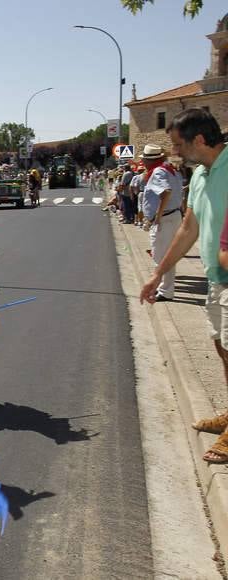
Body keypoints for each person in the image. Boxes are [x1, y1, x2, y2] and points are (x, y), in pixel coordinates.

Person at [138, 109, 228, 463]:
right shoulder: (202, 175)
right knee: (222, 347)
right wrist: (158, 273)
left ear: (200, 140)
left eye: (178, 144)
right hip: (216, 279)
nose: (174, 151)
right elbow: (188, 226)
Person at [139, 144, 183, 301]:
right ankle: (166, 288)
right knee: (167, 255)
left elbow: (166, 192)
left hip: (165, 218)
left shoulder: (158, 172)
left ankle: (165, 290)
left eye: (144, 159)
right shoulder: (172, 170)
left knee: (160, 256)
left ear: (150, 160)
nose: (143, 162)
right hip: (174, 215)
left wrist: (157, 216)